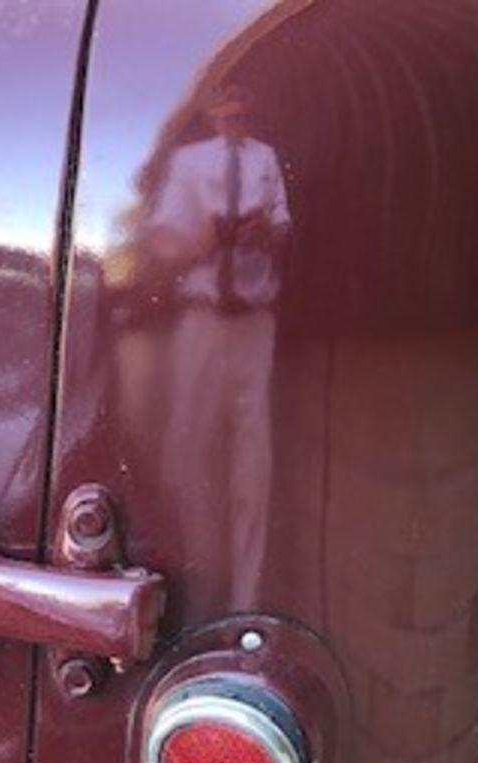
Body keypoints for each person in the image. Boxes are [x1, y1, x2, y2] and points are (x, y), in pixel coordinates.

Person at [150, 81, 291, 609]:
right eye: (225, 110)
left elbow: (284, 227)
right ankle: (195, 579)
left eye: (242, 110)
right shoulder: (189, 164)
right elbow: (163, 246)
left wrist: (260, 235)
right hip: (204, 317)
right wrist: (205, 241)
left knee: (254, 458)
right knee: (190, 452)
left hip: (254, 319)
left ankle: (245, 597)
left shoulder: (265, 159)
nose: (234, 118)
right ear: (211, 114)